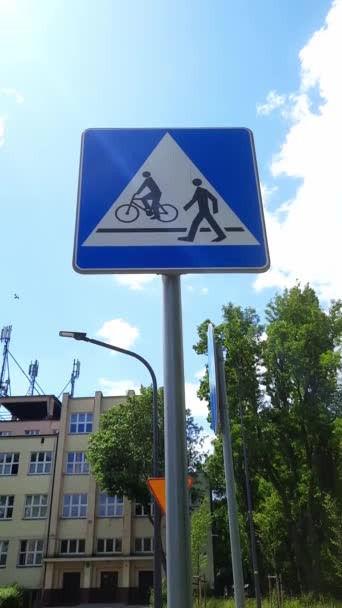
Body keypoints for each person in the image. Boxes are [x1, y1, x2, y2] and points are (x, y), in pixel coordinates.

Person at [178, 178, 226, 242]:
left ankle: (190, 238)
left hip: (203, 210)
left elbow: (193, 200)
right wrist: (215, 210)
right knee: (208, 222)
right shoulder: (204, 190)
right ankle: (221, 235)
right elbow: (214, 199)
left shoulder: (199, 190)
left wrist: (185, 208)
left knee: (197, 222)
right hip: (203, 210)